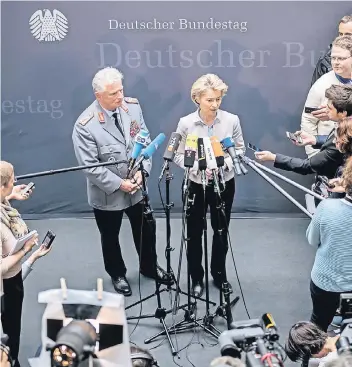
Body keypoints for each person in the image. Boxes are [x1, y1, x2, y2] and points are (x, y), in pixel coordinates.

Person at [72, 67, 171, 297]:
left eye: (121, 90)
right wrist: (119, 184)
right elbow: (91, 167)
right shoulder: (85, 125)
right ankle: (117, 274)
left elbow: (144, 139)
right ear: (98, 96)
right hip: (108, 193)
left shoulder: (132, 107)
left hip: (137, 186)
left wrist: (143, 172)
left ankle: (149, 266)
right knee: (110, 236)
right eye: (113, 93)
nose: (120, 96)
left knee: (146, 229)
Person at [174, 74, 245, 297]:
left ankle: (219, 273)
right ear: (197, 99)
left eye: (218, 99)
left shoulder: (231, 120)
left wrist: (224, 164)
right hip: (195, 184)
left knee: (221, 230)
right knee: (194, 233)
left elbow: (239, 149)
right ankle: (196, 277)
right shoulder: (186, 123)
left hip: (224, 183)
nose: (215, 105)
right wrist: (196, 167)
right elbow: (177, 155)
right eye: (209, 100)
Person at [0, 161, 52, 367]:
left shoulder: (3, 203)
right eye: (12, 181)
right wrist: (25, 249)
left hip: (12, 282)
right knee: (11, 329)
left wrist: (11, 196)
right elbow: (2, 268)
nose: (16, 182)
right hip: (7, 287)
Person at [255, 85, 352, 180]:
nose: (325, 110)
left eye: (329, 108)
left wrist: (273, 157)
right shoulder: (345, 129)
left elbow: (306, 166)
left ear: (343, 113)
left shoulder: (339, 141)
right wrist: (314, 140)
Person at [305, 156, 352, 332]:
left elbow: (312, 240)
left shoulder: (326, 207)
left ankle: (309, 357)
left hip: (326, 284)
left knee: (317, 327)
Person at [301, 35, 352, 157]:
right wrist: (315, 157)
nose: (336, 62)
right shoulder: (322, 85)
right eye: (333, 58)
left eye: (341, 58)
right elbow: (308, 120)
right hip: (332, 155)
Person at [311, 15, 352, 86]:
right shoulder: (326, 61)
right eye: (340, 34)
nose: (342, 38)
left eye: (348, 35)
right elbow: (316, 93)